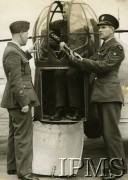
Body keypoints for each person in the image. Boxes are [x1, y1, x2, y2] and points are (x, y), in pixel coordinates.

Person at [65, 14, 127, 179]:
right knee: (108, 133)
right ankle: (120, 166)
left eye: (104, 27)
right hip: (102, 95)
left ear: (112, 29)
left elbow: (102, 66)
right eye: (99, 28)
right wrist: (74, 57)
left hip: (109, 95)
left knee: (110, 133)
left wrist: (82, 61)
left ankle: (117, 170)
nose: (100, 30)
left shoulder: (116, 48)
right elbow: (89, 62)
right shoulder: (103, 47)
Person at [1, 21, 40, 180]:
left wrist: (29, 51)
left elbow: (20, 64)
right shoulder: (12, 52)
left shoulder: (15, 50)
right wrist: (24, 102)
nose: (28, 37)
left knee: (14, 134)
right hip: (19, 101)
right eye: (27, 34)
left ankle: (13, 167)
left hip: (14, 100)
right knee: (23, 136)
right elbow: (16, 80)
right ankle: (25, 173)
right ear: (20, 33)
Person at [49, 2, 85, 121]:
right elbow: (48, 28)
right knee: (58, 74)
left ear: (73, 13)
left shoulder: (83, 24)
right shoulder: (61, 24)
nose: (63, 14)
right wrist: (58, 40)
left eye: (65, 12)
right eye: (62, 12)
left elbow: (85, 43)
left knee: (72, 74)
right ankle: (60, 108)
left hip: (79, 58)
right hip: (66, 59)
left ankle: (77, 109)